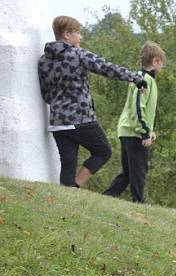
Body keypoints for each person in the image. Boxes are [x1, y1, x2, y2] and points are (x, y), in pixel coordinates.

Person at [37, 15, 146, 188]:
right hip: (81, 119)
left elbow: (46, 94)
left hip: (58, 122)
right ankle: (75, 186)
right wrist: (135, 77)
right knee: (103, 151)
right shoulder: (78, 54)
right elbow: (107, 69)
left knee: (68, 165)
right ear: (66, 34)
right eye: (78, 33)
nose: (80, 37)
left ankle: (67, 196)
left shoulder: (43, 60)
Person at [103, 42, 166, 203]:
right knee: (139, 170)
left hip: (128, 130)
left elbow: (142, 109)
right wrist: (144, 132)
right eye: (162, 63)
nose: (162, 67)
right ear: (155, 61)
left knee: (128, 173)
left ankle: (106, 197)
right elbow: (138, 107)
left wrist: (149, 130)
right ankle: (139, 202)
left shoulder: (143, 79)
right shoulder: (143, 80)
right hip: (134, 132)